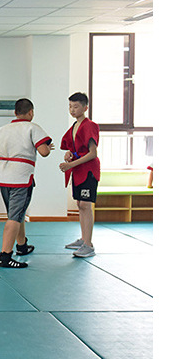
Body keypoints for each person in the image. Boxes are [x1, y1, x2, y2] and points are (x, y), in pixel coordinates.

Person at [0, 98, 54, 268]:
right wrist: (48, 148)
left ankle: (22, 246)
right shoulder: (32, 128)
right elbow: (44, 152)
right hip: (21, 178)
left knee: (16, 214)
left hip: (3, 178)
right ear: (31, 112)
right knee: (14, 217)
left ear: (15, 112)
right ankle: (5, 256)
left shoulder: (1, 130)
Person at [59, 92, 100, 258]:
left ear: (85, 107)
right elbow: (73, 147)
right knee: (80, 204)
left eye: (76, 106)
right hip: (78, 170)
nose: (72, 110)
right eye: (70, 106)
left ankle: (88, 245)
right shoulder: (75, 126)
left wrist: (71, 164)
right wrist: (69, 154)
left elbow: (92, 153)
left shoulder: (90, 125)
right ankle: (84, 239)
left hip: (88, 170)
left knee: (85, 204)